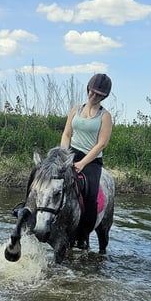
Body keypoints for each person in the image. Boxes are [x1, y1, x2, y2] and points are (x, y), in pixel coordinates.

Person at [60, 73, 113, 248]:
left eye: (99, 94)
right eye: (92, 91)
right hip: (71, 153)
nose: (93, 96)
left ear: (104, 96)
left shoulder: (105, 116)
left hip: (91, 160)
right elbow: (67, 134)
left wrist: (83, 164)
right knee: (44, 175)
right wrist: (64, 155)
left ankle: (83, 234)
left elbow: (102, 144)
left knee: (90, 196)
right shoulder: (75, 110)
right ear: (88, 88)